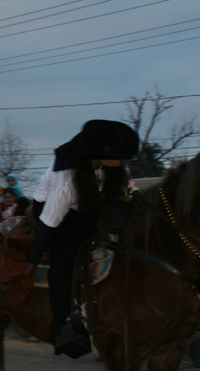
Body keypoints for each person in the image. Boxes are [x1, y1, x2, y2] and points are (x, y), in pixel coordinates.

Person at [24, 119, 139, 357]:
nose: (123, 159)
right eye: (119, 154)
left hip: (86, 206)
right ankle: (60, 325)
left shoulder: (111, 168)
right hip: (53, 210)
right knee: (65, 254)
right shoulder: (67, 180)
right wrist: (31, 260)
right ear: (96, 156)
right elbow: (48, 222)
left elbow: (119, 194)